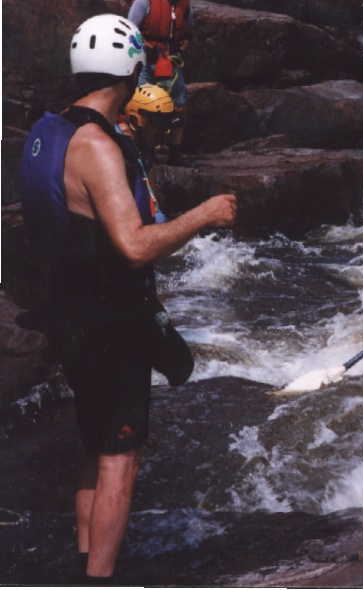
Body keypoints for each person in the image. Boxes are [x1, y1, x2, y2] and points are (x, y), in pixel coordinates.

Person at [18, 14, 236, 583]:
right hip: (108, 323)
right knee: (120, 458)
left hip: (67, 314)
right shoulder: (97, 147)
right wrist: (205, 214)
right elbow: (135, 246)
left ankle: (83, 562)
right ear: (132, 69)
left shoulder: (47, 130)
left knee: (93, 447)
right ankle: (102, 578)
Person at [127, 0, 192, 164]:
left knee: (180, 104)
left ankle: (175, 152)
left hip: (171, 61)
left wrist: (184, 42)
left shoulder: (184, 4)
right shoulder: (144, 2)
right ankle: (146, 151)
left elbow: (187, 29)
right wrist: (145, 48)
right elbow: (130, 30)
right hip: (146, 62)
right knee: (144, 107)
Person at [117, 83, 182, 222]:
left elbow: (153, 199)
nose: (164, 131)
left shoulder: (145, 148)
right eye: (158, 124)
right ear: (136, 120)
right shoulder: (118, 147)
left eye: (166, 124)